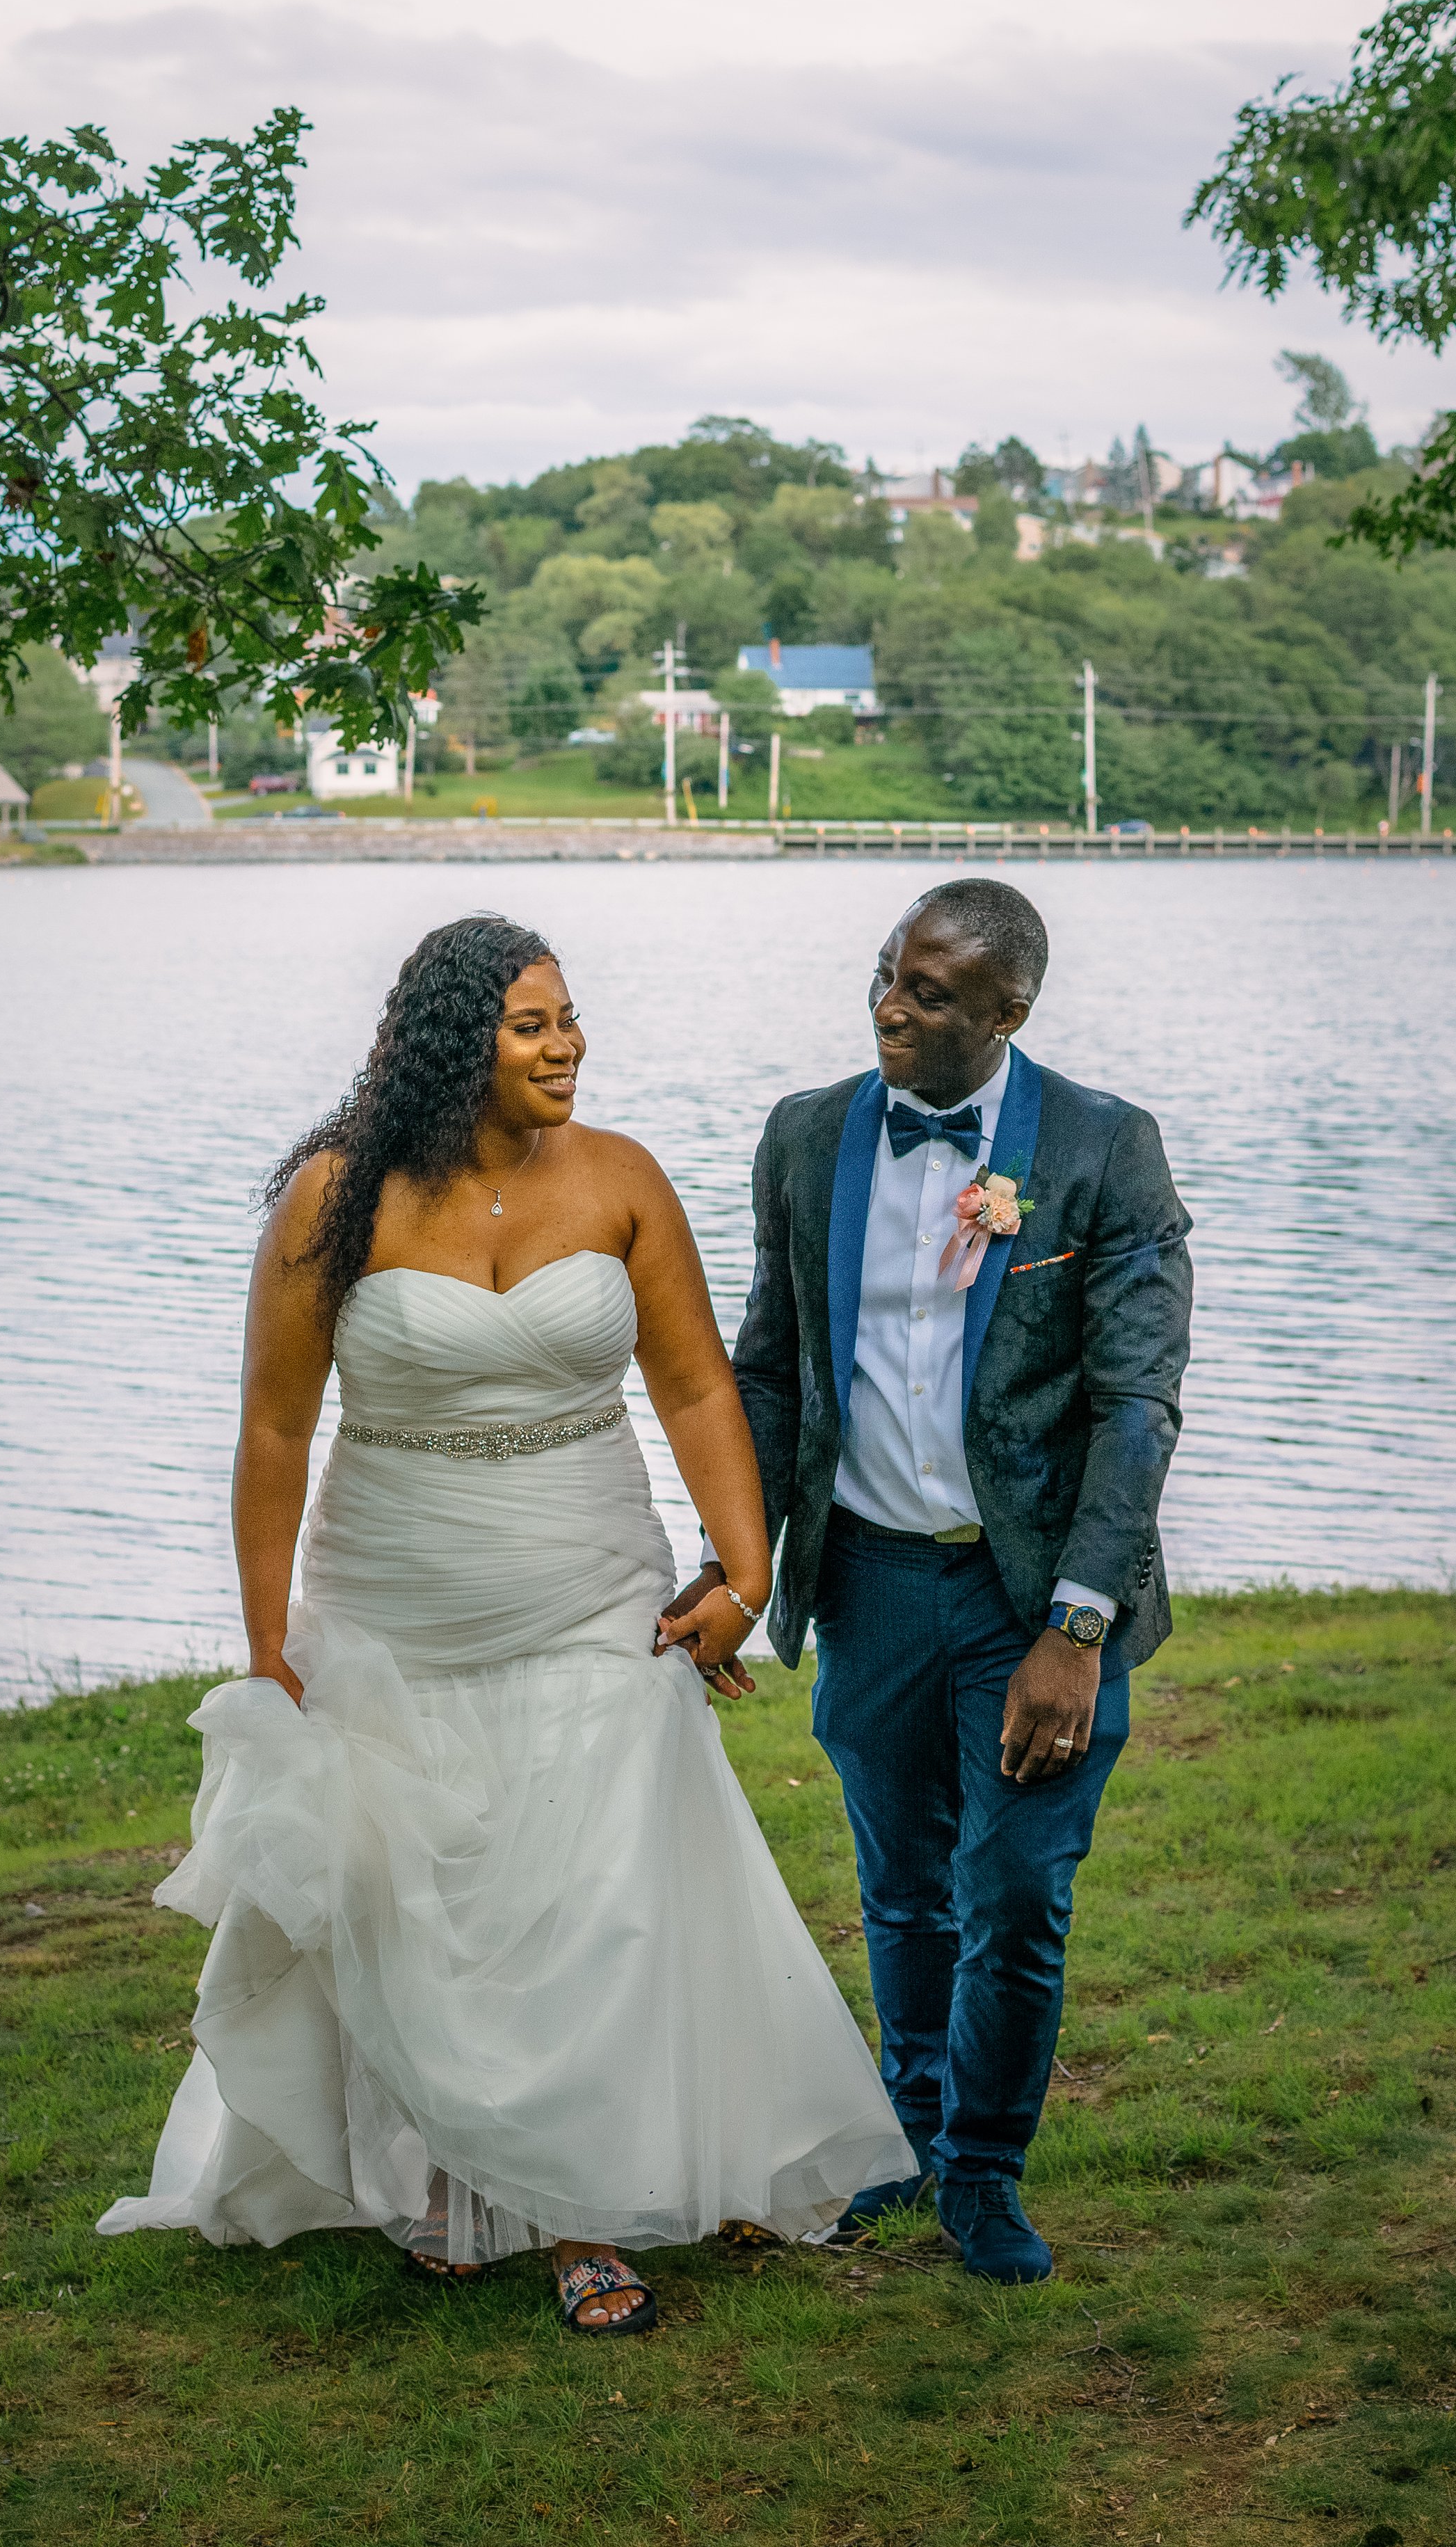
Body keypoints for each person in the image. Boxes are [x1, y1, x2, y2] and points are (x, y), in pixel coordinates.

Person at [98, 914, 912, 2332]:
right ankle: (444, 2176)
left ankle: (585, 2215)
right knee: (427, 1903)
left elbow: (699, 1389)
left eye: (571, 1019)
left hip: (591, 1581)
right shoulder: (334, 1201)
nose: (566, 1046)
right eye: (531, 1026)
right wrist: (266, 1640)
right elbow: (277, 1430)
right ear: (450, 1045)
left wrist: (744, 1574)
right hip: (394, 1596)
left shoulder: (621, 1182)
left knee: (598, 1899)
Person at [675, 879, 1192, 2284]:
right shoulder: (806, 1136)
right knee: (902, 1886)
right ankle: (906, 2136)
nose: (890, 1007)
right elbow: (770, 1366)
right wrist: (738, 1561)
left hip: (1027, 1603)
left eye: (931, 992)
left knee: (1014, 1891)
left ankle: (983, 2170)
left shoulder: (1100, 1149)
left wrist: (1075, 1628)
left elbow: (1134, 1401)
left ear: (1007, 1011)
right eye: (887, 976)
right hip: (867, 1584)